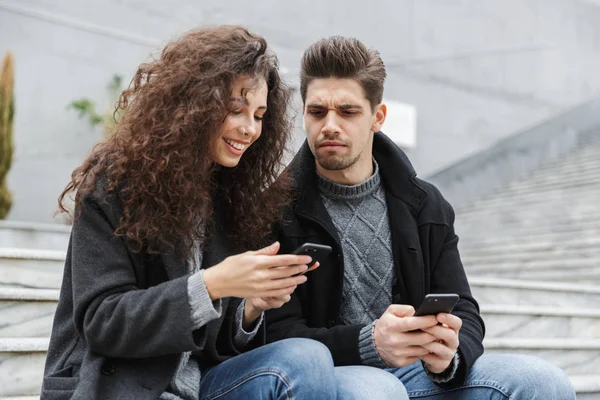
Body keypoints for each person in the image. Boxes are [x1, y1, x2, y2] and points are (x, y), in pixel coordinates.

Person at [265, 35, 577, 399]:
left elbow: (464, 308)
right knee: (377, 391)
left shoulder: (425, 203)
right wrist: (367, 344)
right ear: (304, 113)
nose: (330, 125)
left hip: (419, 374)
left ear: (377, 117)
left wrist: (449, 357)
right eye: (317, 111)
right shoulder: (273, 208)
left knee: (543, 381)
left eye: (348, 112)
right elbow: (276, 333)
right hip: (332, 375)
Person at [41, 26, 341, 400]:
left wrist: (248, 308)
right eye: (236, 110)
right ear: (193, 105)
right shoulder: (115, 184)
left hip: (199, 387)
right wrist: (213, 284)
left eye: (260, 115)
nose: (249, 129)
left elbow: (209, 343)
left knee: (307, 358)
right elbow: (102, 321)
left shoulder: (228, 194)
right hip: (117, 386)